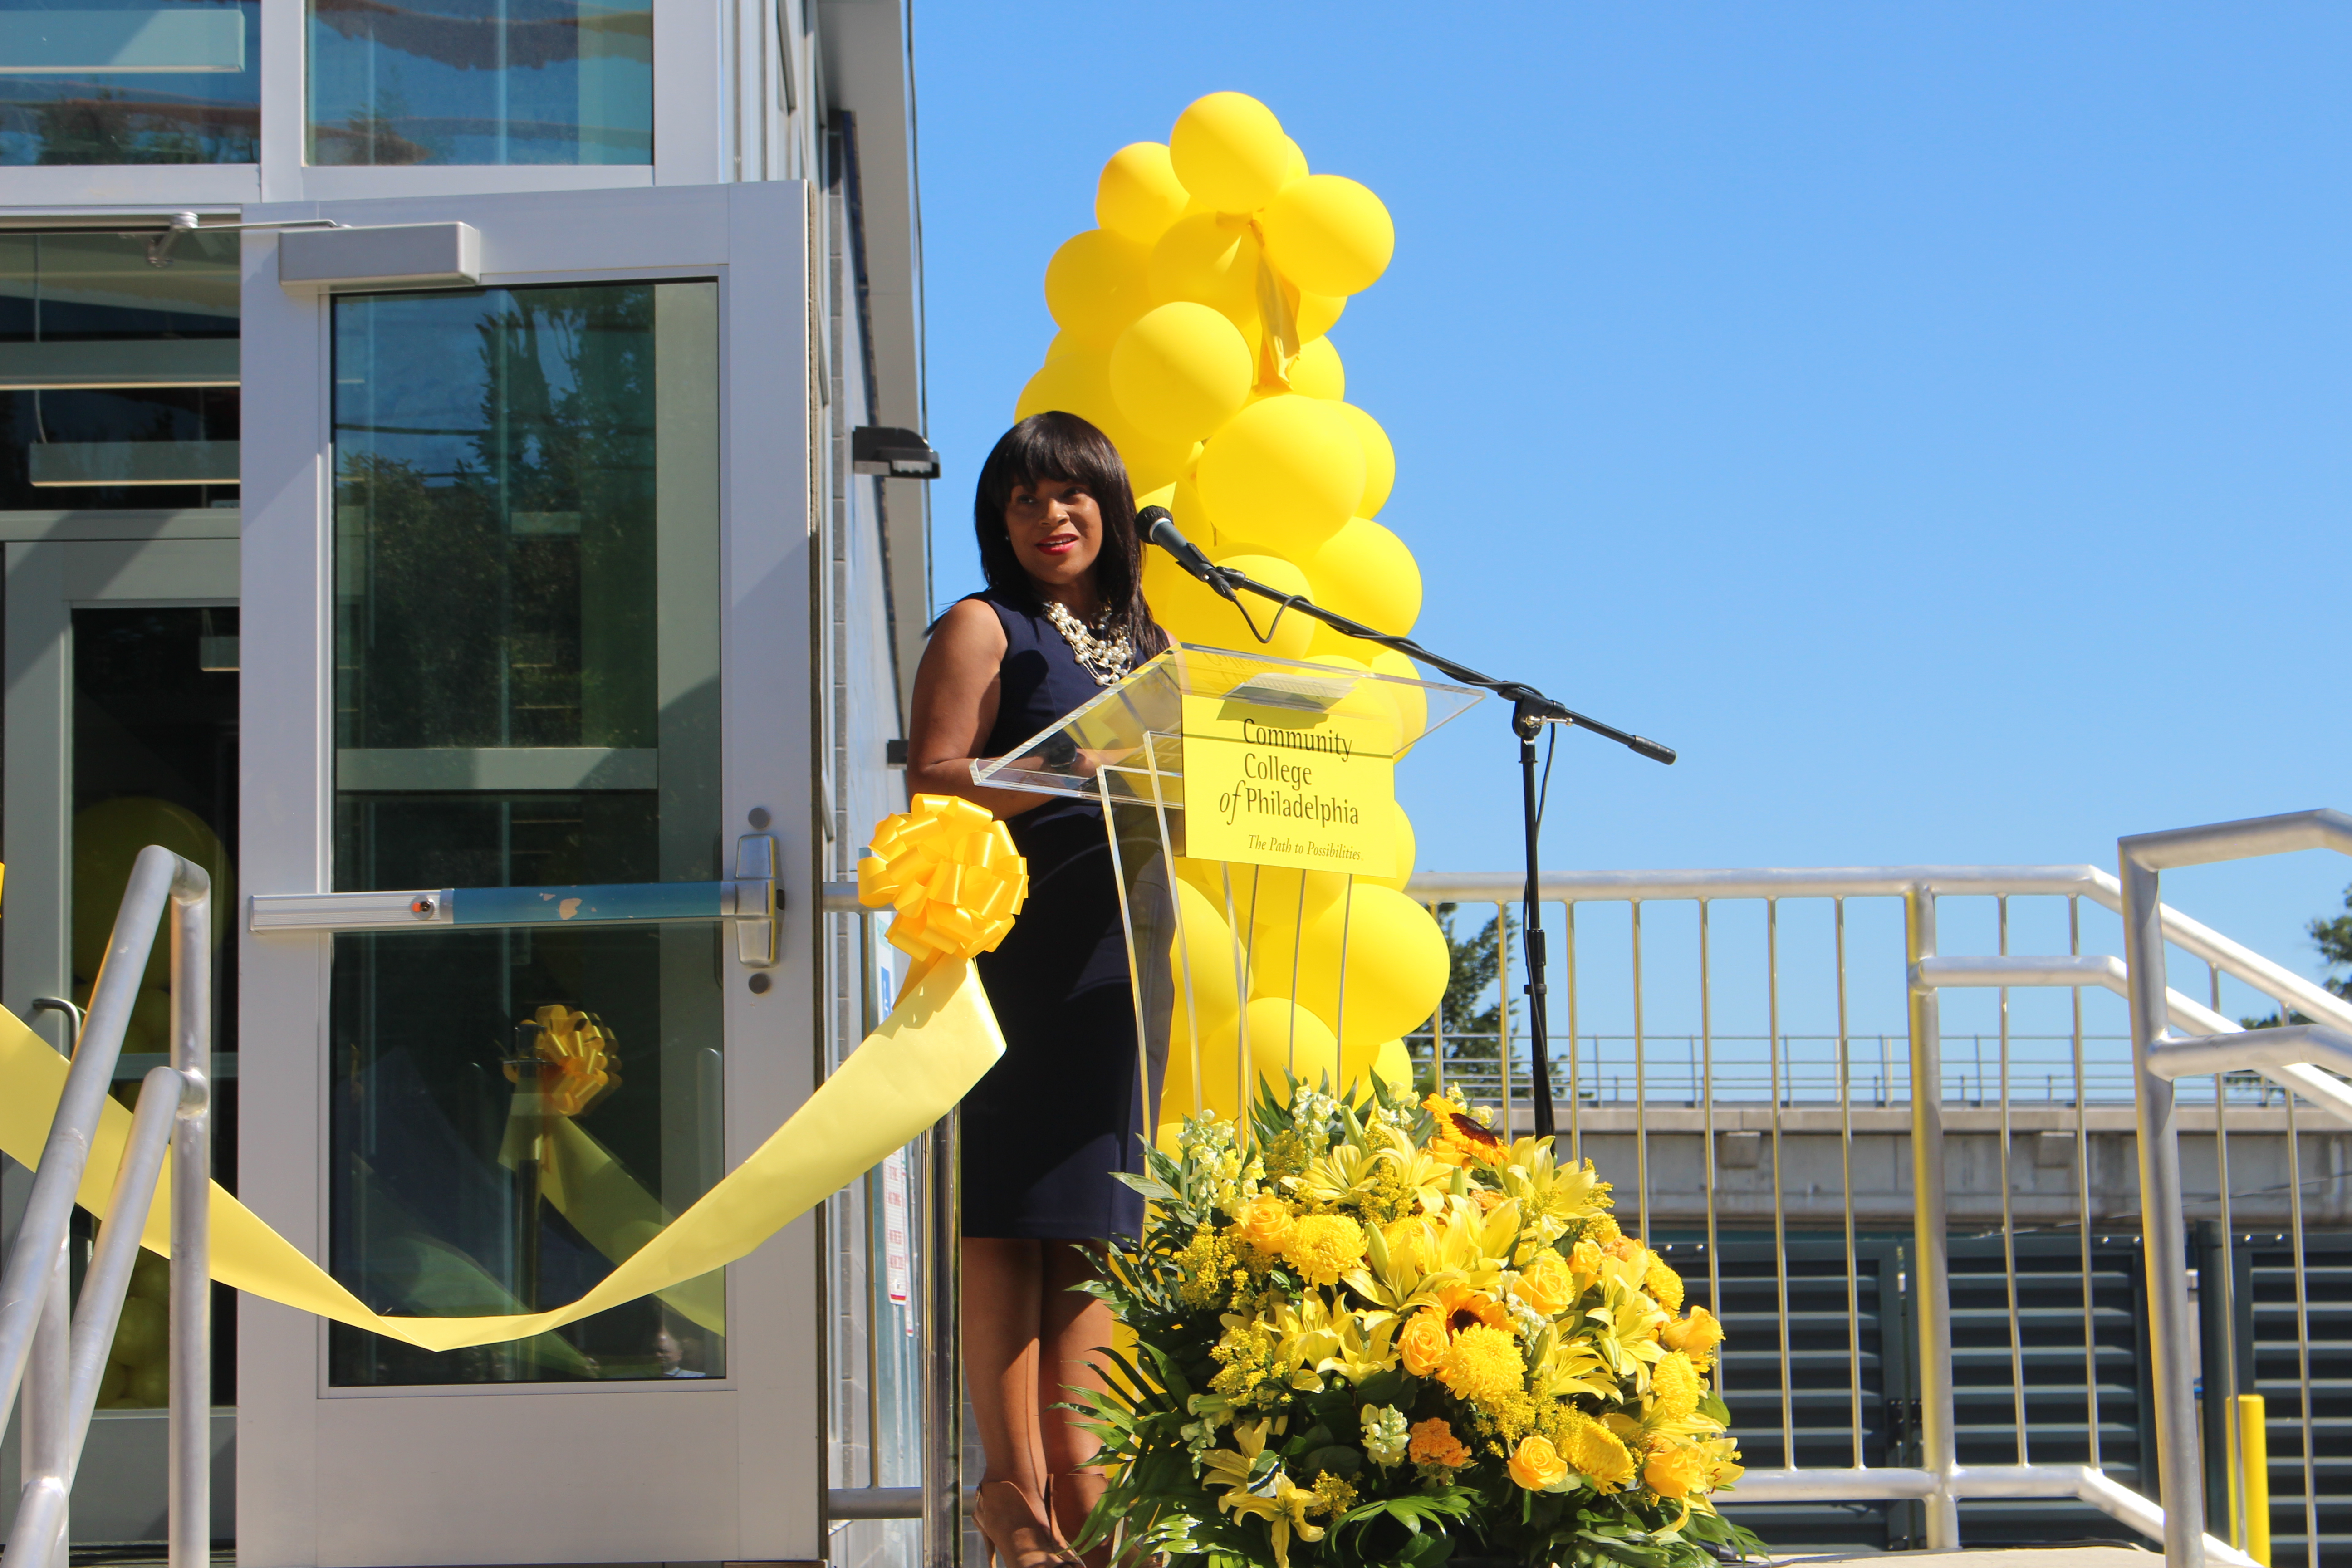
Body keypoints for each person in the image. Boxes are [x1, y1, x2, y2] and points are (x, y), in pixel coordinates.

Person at [905, 411, 1172, 1568]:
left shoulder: (1147, 645)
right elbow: (933, 782)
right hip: (1013, 963)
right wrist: (1072, 763)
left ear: (1111, 509)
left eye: (1071, 496)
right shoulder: (984, 627)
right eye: (1023, 499)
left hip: (1119, 969)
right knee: (1007, 1228)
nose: (1050, 517)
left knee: (1094, 1237)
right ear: (997, 522)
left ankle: (1092, 1495)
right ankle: (1011, 1503)